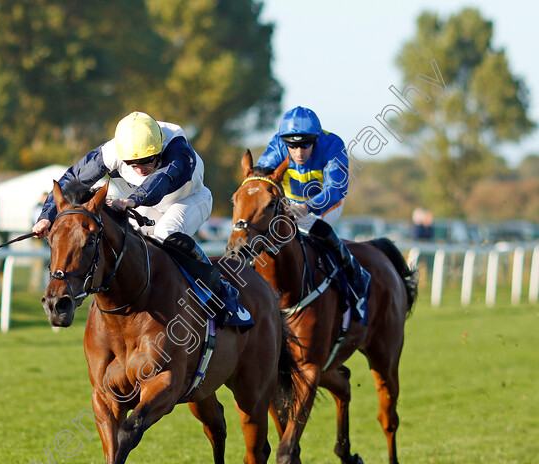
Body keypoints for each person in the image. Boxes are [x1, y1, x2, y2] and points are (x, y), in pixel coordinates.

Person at [31, 110, 240, 319]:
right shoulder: (111, 152)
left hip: (190, 200)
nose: (139, 169)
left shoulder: (176, 144)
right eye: (132, 163)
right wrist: (46, 216)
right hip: (142, 203)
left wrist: (136, 198)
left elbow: (163, 179)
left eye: (147, 160)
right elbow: (72, 179)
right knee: (129, 243)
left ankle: (219, 288)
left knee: (166, 232)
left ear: (159, 149)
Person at [255, 106, 370, 323]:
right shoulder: (277, 144)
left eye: (305, 144)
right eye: (293, 145)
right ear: (284, 141)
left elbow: (335, 190)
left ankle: (355, 275)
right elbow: (261, 175)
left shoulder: (332, 145)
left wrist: (307, 207)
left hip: (324, 205)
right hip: (288, 204)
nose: (299, 152)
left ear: (315, 139)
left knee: (312, 229)